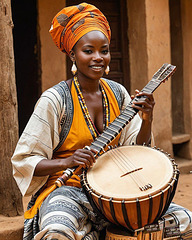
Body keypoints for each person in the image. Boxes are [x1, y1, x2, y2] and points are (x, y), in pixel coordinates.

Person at [11, 3, 192, 240]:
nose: (99, 58)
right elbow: (25, 161)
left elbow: (138, 149)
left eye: (104, 50)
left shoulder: (118, 93)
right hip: (70, 190)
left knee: (184, 222)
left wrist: (146, 119)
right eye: (89, 51)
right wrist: (67, 161)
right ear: (72, 54)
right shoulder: (55, 100)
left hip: (119, 191)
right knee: (58, 234)